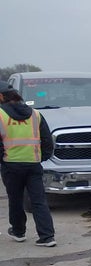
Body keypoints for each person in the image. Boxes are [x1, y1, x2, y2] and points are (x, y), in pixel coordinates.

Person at [0, 82, 56, 247]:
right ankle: (47, 237)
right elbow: (47, 141)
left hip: (11, 165)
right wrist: (41, 157)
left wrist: (2, 159)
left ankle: (18, 232)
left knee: (15, 199)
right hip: (33, 164)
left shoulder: (1, 115)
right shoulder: (35, 114)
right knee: (39, 200)